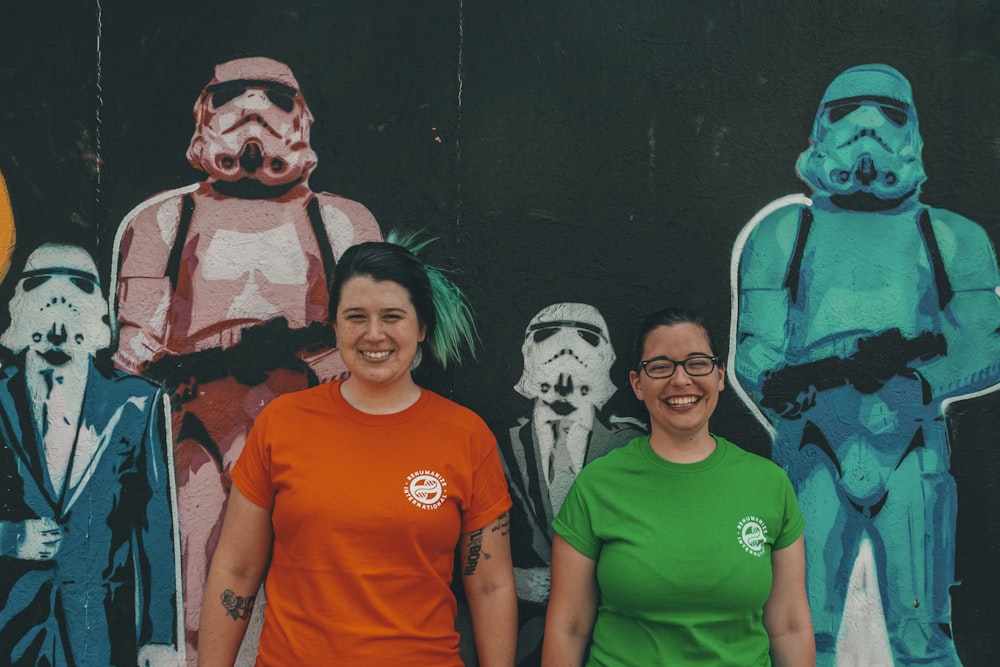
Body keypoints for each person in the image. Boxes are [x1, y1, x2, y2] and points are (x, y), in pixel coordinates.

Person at [112, 56, 382, 659]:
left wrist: (306, 359)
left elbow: (375, 339)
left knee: (316, 583)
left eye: (274, 99)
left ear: (300, 115)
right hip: (195, 427)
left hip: (312, 428)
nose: (253, 110)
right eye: (235, 96)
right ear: (208, 110)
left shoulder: (341, 222)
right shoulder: (162, 218)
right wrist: (196, 362)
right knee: (193, 574)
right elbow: (135, 341)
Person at [731, 63, 1000, 665]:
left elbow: (986, 344)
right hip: (812, 445)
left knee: (922, 634)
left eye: (886, 119)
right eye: (847, 119)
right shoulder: (784, 233)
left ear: (912, 134)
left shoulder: (950, 237)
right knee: (805, 632)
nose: (867, 133)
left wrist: (912, 378)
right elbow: (755, 344)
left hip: (911, 447)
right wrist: (784, 382)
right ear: (821, 130)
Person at [198, 235, 517, 666]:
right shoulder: (282, 424)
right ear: (334, 325)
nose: (374, 334)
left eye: (392, 316)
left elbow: (491, 587)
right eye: (356, 316)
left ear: (422, 327)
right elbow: (235, 568)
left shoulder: (467, 437)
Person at [542, 308, 814, 666]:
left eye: (696, 363)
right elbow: (569, 626)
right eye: (660, 366)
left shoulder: (769, 484)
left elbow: (790, 626)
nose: (681, 380)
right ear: (638, 384)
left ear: (719, 375)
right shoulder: (597, 486)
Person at [0, 243, 179, 666]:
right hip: (11, 624)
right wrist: (13, 538)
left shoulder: (137, 403)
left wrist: (159, 636)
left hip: (100, 628)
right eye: (45, 309)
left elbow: (155, 525)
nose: (58, 330)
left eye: (72, 309)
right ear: (22, 311)